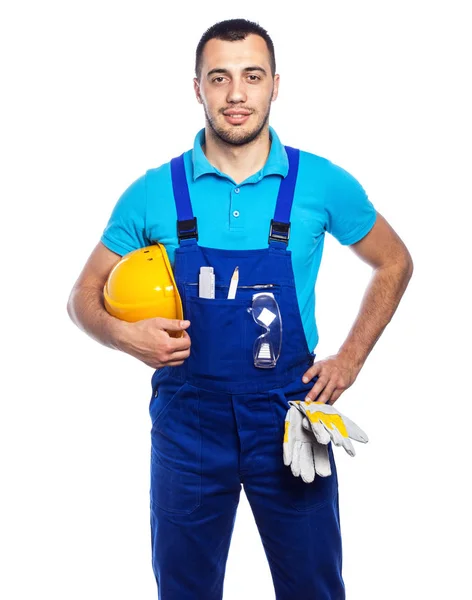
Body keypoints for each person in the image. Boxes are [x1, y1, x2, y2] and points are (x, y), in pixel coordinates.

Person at [67, 18, 413, 600]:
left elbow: (395, 261)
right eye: (219, 78)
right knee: (184, 589)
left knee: (314, 587)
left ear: (274, 85)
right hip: (187, 420)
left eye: (251, 77)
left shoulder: (318, 183)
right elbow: (81, 298)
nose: (235, 94)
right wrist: (125, 337)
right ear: (196, 88)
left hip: (290, 415)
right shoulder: (155, 190)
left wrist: (350, 360)